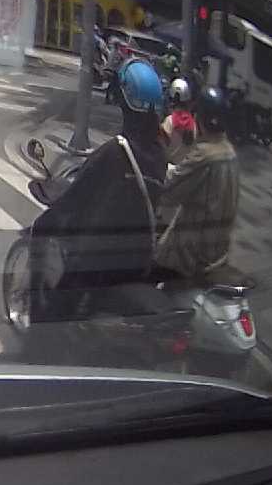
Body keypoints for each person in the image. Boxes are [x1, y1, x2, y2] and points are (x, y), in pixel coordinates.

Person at [27, 57, 167, 322]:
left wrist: (50, 204)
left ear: (123, 99)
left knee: (43, 229)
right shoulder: (159, 153)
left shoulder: (116, 151)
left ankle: (37, 328)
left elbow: (76, 197)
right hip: (140, 256)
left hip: (98, 258)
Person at [154, 85, 239, 281]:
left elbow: (168, 192)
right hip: (217, 250)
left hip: (190, 255)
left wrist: (157, 168)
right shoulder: (229, 152)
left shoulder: (205, 154)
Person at [160, 77, 198, 166]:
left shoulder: (169, 121)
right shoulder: (194, 125)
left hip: (168, 168)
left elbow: (161, 147)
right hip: (184, 169)